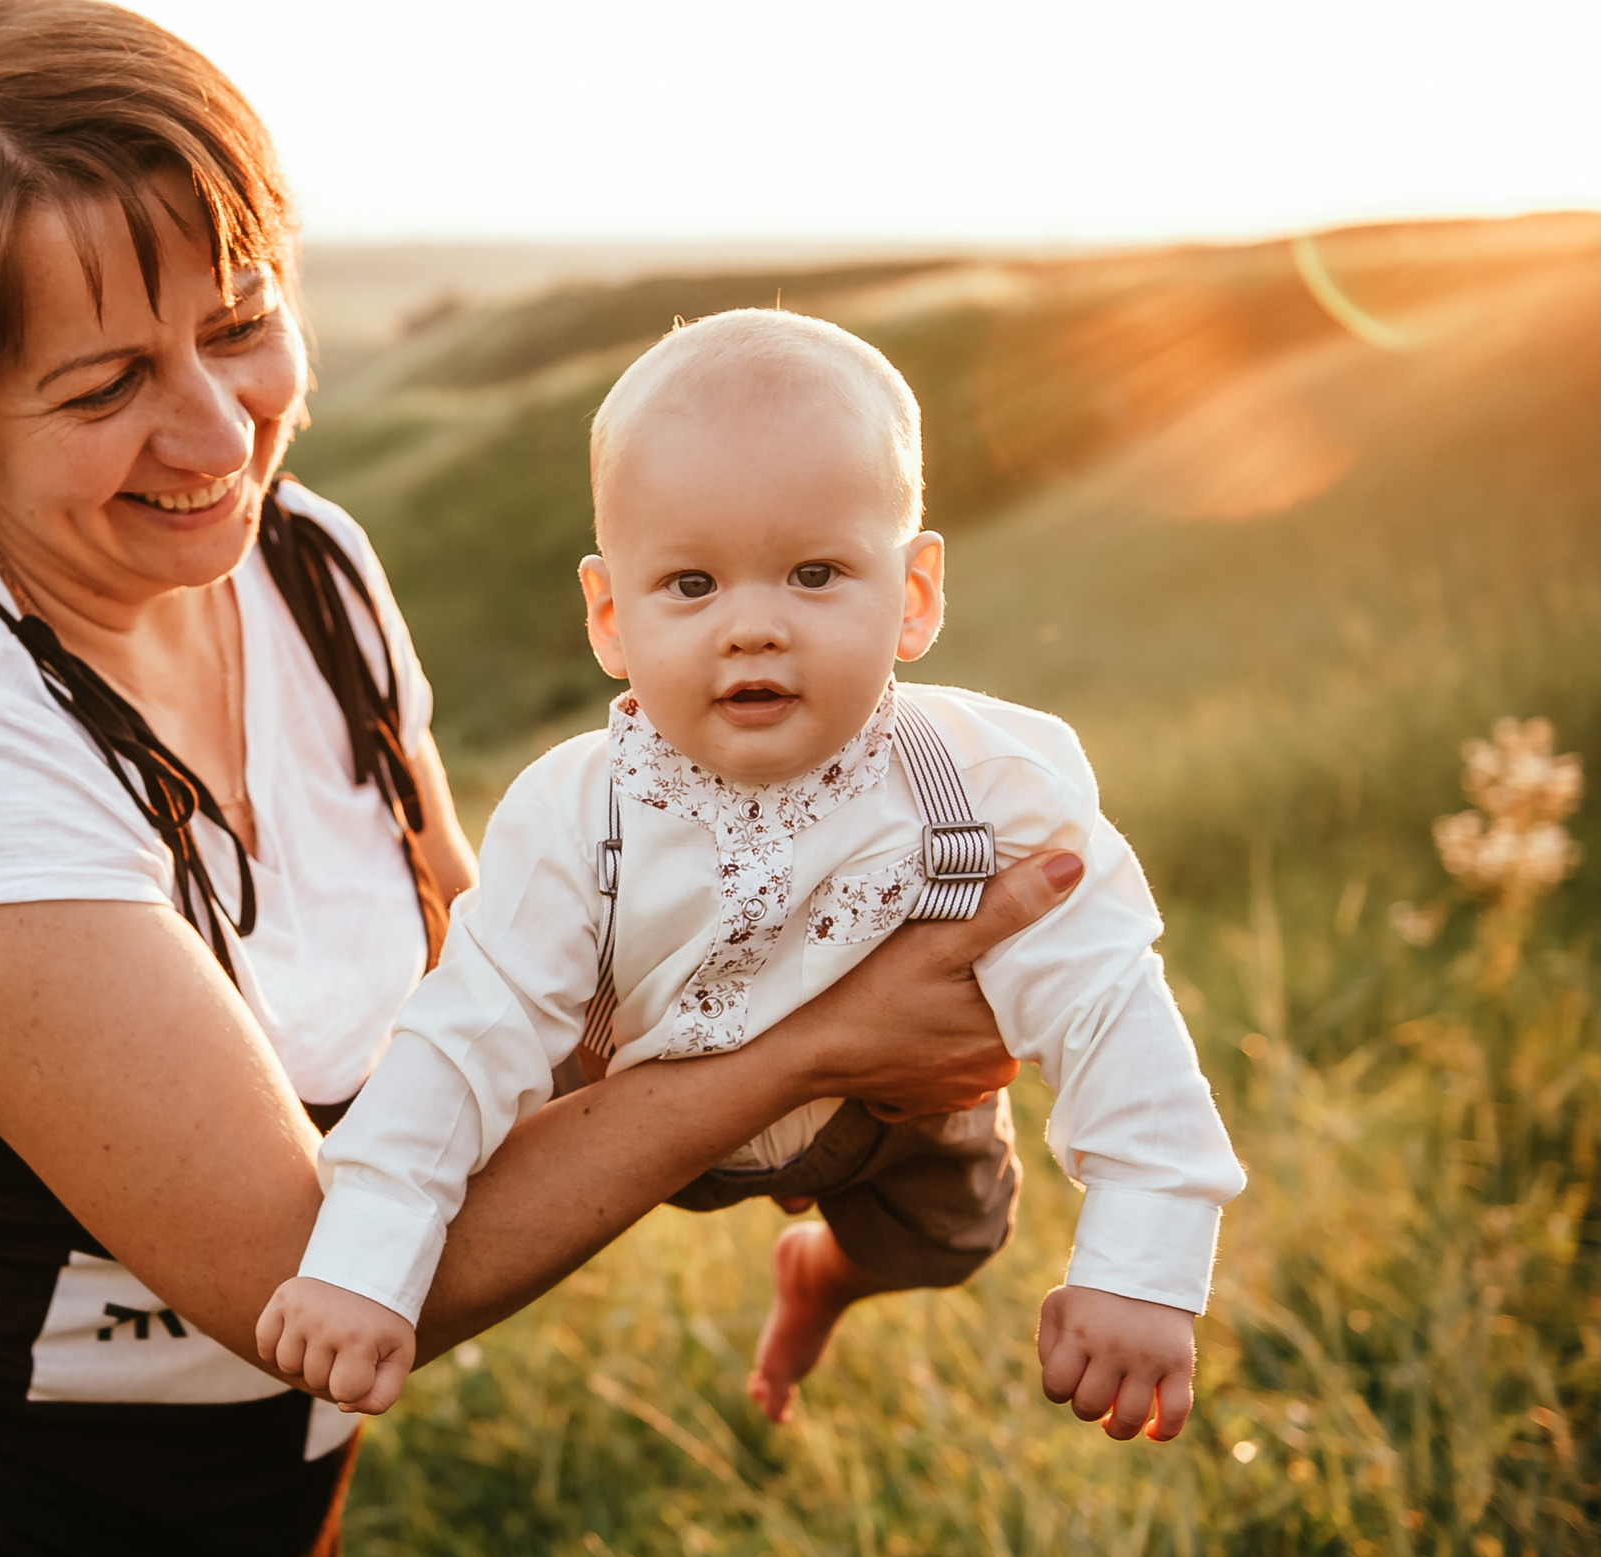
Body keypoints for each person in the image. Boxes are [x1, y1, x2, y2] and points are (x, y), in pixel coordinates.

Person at [0, 6, 1078, 1557]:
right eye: (106, 384)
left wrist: (854, 1052)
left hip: (265, 1494)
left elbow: (499, 982)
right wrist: (803, 1051)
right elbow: (296, 1270)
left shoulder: (310, 569)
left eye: (240, 325)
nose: (219, 434)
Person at [261, 310, 1249, 1428]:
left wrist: (1141, 1266)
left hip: (899, 1115)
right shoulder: (578, 814)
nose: (752, 628)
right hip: (652, 1109)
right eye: (691, 585)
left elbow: (1111, 1007)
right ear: (609, 618)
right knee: (504, 1152)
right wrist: (359, 1260)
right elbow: (464, 1037)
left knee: (951, 1240)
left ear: (915, 595)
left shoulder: (990, 787)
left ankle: (820, 1275)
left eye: (814, 574)